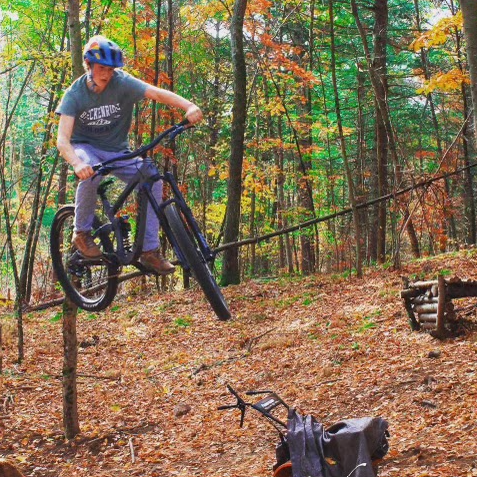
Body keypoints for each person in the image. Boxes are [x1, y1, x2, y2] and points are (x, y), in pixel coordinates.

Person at [56, 35, 203, 274]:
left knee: (152, 178)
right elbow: (62, 139)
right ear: (89, 65)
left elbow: (156, 94)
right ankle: (81, 233)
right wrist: (76, 163)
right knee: (90, 170)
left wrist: (188, 106)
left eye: (111, 69)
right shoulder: (75, 95)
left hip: (118, 152)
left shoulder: (122, 83)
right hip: (86, 148)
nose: (106, 73)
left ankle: (148, 251)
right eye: (101, 68)